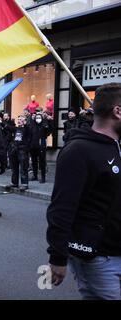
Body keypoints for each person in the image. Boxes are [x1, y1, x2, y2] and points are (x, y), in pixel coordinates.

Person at [46, 83, 121, 300]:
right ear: (117, 111)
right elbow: (61, 208)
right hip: (97, 256)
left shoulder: (116, 146)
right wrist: (57, 257)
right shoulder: (78, 151)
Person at [8, 115, 31, 190]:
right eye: (18, 119)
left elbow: (29, 131)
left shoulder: (27, 129)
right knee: (14, 168)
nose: (19, 120)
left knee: (23, 168)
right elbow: (8, 127)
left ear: (24, 120)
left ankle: (24, 184)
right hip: (15, 150)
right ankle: (14, 183)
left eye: (21, 119)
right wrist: (1, 121)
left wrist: (25, 124)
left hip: (22, 150)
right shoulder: (16, 129)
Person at [28, 112, 53, 183]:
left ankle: (43, 177)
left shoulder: (44, 125)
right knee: (34, 162)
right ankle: (35, 176)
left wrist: (50, 121)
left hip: (41, 146)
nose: (38, 119)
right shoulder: (32, 125)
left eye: (39, 118)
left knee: (42, 162)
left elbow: (49, 131)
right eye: (37, 118)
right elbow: (29, 135)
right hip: (33, 146)